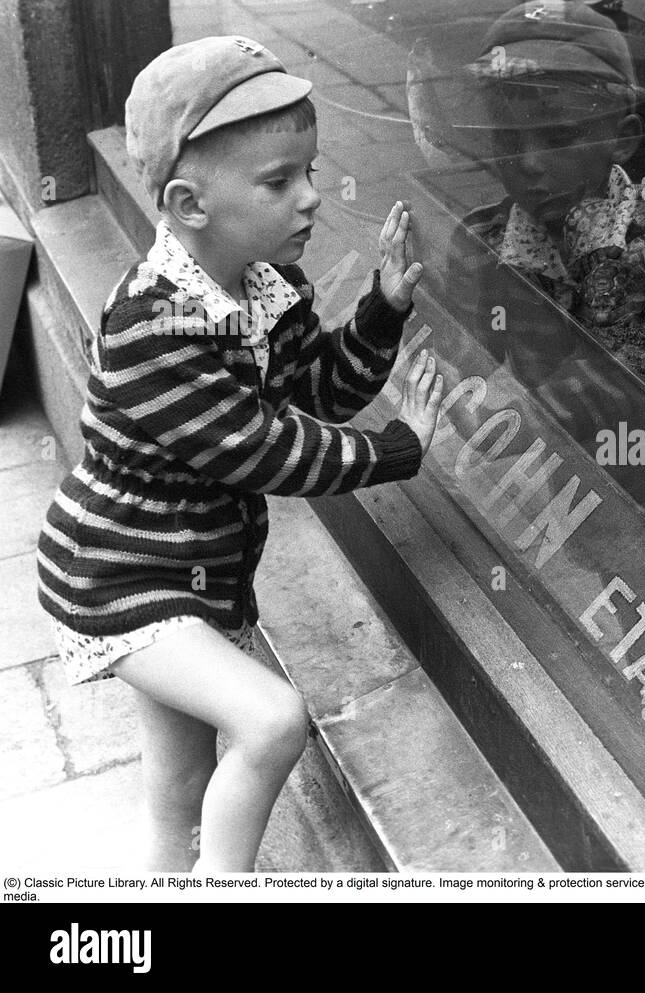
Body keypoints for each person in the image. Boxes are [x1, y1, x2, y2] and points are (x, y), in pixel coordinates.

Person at [35, 36, 445, 873]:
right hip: (122, 574)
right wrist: (393, 451)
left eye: (311, 172)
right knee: (270, 719)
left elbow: (317, 392)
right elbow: (262, 449)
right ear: (190, 203)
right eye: (278, 182)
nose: (311, 200)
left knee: (181, 785)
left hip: (196, 576)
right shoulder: (156, 324)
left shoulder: (264, 290)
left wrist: (382, 311)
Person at [410, 2, 645, 815]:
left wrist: (534, 408)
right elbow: (468, 342)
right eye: (508, 139)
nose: (528, 163)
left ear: (623, 141)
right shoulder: (487, 235)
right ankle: (637, 724)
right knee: (612, 605)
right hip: (587, 472)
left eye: (558, 139)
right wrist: (453, 376)